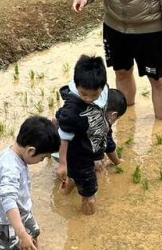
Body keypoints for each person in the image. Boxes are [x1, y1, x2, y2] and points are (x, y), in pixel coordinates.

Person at [0, 116, 60, 250]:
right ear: (30, 151)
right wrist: (21, 233)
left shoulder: (14, 151)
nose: (42, 161)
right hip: (4, 220)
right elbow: (8, 200)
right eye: (42, 157)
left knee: (34, 231)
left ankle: (29, 247)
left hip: (21, 210)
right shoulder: (10, 168)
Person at [54, 55, 127, 215]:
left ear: (102, 87)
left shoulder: (104, 95)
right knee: (90, 195)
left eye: (94, 95)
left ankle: (59, 202)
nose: (88, 99)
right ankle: (88, 225)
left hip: (85, 151)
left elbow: (104, 135)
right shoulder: (72, 110)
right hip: (80, 157)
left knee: (74, 178)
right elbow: (63, 137)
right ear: (77, 86)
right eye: (83, 94)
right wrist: (63, 164)